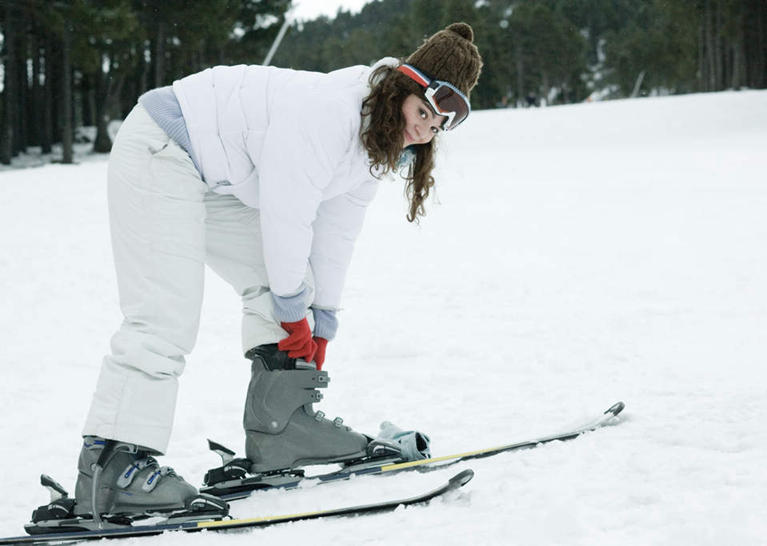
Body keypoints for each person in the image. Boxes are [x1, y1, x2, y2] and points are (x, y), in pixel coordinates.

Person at [65, 22, 482, 524]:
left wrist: (320, 321)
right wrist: (293, 318)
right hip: (164, 145)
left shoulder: (378, 140)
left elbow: (335, 235)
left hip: (215, 178)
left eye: (436, 127)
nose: (424, 131)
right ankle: (113, 466)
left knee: (286, 283)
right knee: (165, 311)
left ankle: (282, 429)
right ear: (403, 89)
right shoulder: (331, 111)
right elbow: (287, 213)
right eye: (423, 114)